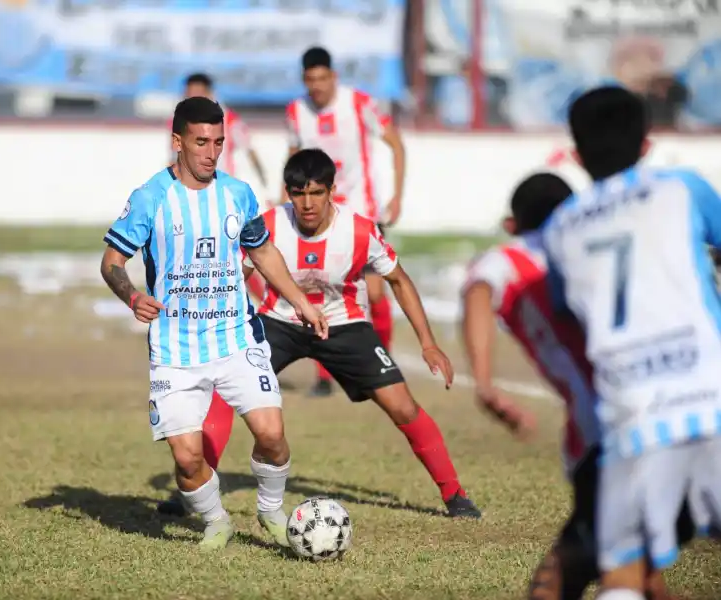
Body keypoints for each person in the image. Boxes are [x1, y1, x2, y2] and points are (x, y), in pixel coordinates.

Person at [158, 148, 481, 519]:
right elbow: (235, 276)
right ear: (288, 192)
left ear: (331, 191)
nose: (307, 203)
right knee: (223, 392)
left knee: (402, 405)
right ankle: (191, 494)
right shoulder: (268, 224)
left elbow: (398, 279)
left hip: (344, 325)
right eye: (298, 193)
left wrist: (428, 343)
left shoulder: (360, 230)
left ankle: (455, 495)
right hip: (279, 322)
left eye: (315, 193)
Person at [100, 97, 327, 551]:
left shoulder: (237, 194)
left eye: (218, 142)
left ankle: (270, 510)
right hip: (175, 350)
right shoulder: (151, 197)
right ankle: (217, 520)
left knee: (272, 436)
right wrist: (131, 295)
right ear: (177, 141)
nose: (211, 152)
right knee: (187, 461)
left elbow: (262, 253)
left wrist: (299, 299)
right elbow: (111, 263)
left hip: (235, 338)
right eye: (201, 142)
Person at [461, 171, 693, 600]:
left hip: (605, 431)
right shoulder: (601, 244)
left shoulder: (509, 258)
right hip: (673, 413)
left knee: (572, 580)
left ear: (512, 225)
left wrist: (484, 383)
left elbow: (478, 291)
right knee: (638, 574)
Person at [542, 86, 721, 600]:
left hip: (633, 422)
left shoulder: (560, 229)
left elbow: (568, 315)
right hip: (710, 399)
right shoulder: (680, 188)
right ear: (647, 143)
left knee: (622, 578)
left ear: (575, 155)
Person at [284, 47, 406, 397]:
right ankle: (324, 377)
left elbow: (396, 144)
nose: (317, 86)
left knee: (377, 294)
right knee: (318, 289)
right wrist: (285, 200)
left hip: (361, 212)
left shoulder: (359, 103)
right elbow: (293, 158)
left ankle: (383, 363)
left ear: (333, 77)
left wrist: (396, 195)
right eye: (310, 80)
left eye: (323, 78)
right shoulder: (296, 111)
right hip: (317, 216)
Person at [172, 72, 268, 303]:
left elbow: (250, 149)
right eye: (189, 93)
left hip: (223, 199)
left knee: (238, 253)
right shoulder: (180, 124)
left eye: (197, 92)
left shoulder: (229, 120)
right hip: (192, 197)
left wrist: (265, 185)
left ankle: (264, 300)